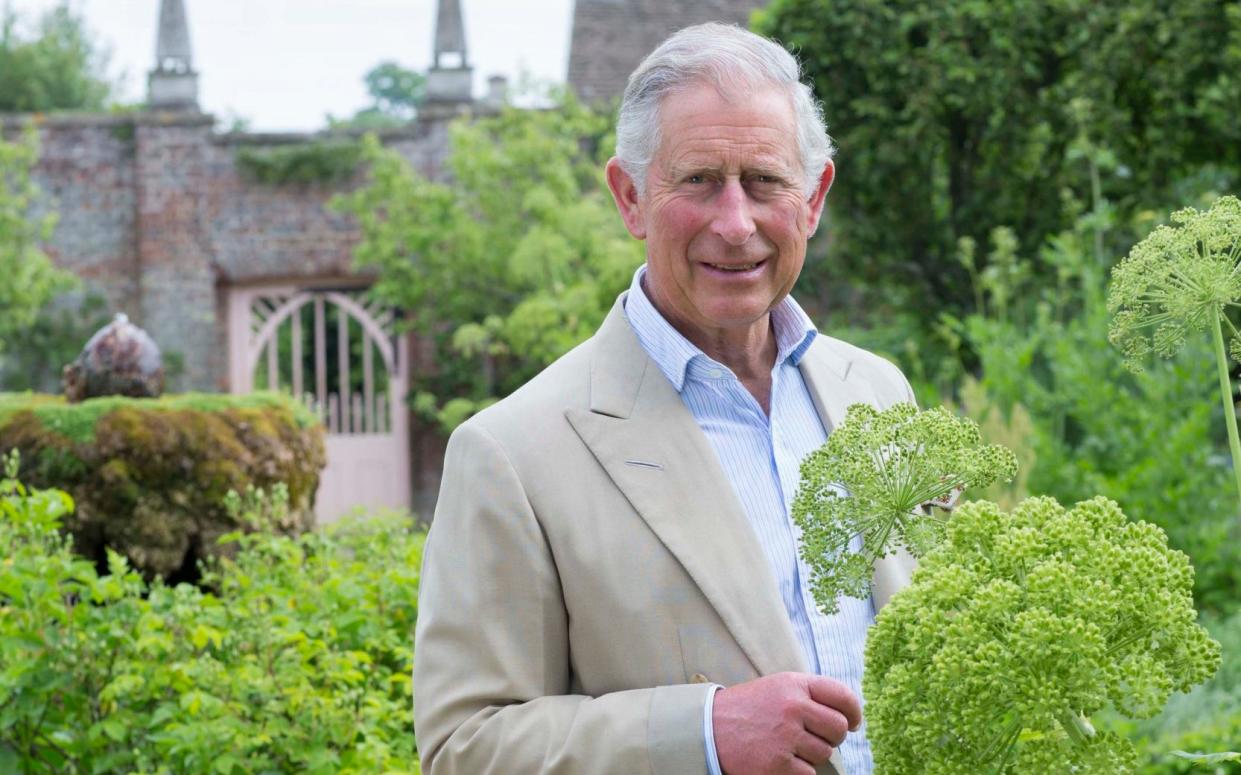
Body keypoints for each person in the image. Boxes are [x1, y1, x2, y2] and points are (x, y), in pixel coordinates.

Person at [413, 22, 916, 775]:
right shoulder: (511, 453)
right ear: (629, 197)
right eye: (699, 181)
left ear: (812, 198)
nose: (735, 222)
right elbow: (463, 746)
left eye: (764, 181)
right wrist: (704, 734)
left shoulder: (876, 391)